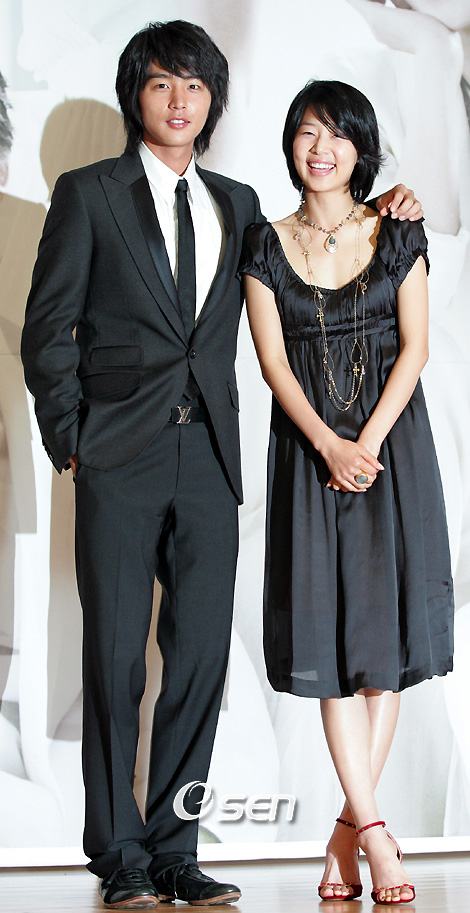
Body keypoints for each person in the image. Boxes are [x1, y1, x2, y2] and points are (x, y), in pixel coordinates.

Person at [21, 18, 423, 908]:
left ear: (214, 101)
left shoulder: (240, 205)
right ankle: (118, 854)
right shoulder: (88, 194)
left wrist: (394, 198)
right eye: (162, 83)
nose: (180, 101)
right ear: (137, 94)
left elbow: (320, 238)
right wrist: (72, 439)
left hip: (210, 459)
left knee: (200, 661)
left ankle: (175, 848)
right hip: (116, 458)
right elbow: (47, 330)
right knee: (115, 662)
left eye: (196, 85)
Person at [240, 79, 453, 905]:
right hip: (308, 455)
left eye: (336, 134)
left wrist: (365, 442)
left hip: (390, 452)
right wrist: (328, 443)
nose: (320, 148)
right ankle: (376, 834)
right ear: (290, 145)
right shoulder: (264, 244)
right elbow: (272, 361)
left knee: (379, 650)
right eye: (306, 132)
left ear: (360, 148)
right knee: (331, 653)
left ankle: (348, 834)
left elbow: (416, 347)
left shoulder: (398, 231)